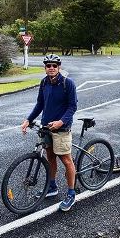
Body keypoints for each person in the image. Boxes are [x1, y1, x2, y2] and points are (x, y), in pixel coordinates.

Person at [21, 54, 78, 211]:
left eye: (54, 65)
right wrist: (28, 119)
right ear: (45, 67)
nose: (51, 68)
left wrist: (61, 121)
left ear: (59, 67)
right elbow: (40, 104)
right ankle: (52, 187)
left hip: (61, 128)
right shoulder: (44, 82)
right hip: (46, 127)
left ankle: (71, 194)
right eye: (48, 65)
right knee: (50, 158)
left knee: (66, 160)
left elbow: (72, 106)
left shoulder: (68, 83)